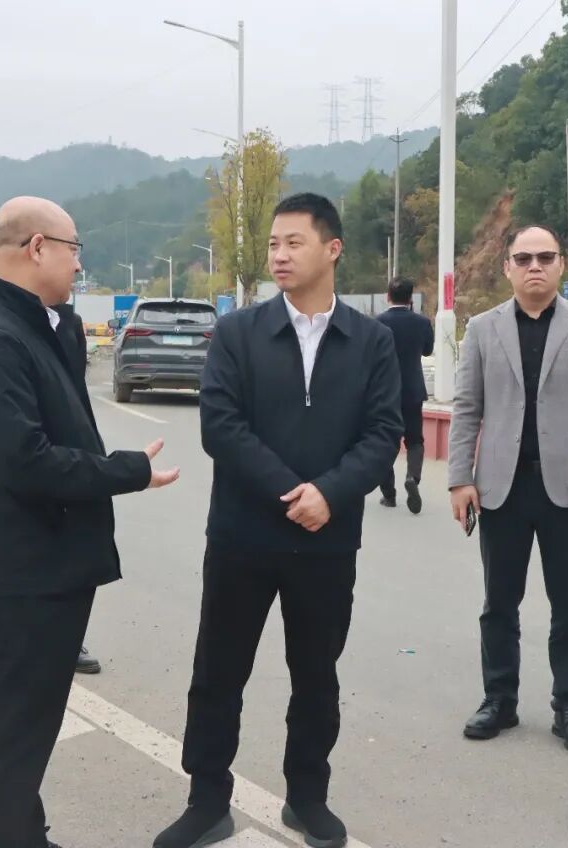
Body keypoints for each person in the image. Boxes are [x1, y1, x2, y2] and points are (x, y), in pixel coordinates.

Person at [153, 193, 402, 848]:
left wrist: (331, 494)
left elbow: (383, 433)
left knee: (317, 677)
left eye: (294, 242)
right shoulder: (239, 332)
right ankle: (207, 799)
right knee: (218, 673)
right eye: (273, 244)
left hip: (326, 543)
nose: (280, 255)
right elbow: (220, 426)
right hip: (242, 537)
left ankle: (307, 797)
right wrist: (294, 491)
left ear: (332, 249)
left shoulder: (371, 341)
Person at [0, 196, 179, 848]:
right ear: (38, 247)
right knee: (9, 740)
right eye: (74, 249)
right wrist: (128, 471)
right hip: (25, 572)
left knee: (24, 735)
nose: (79, 265)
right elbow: (24, 459)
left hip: (44, 561)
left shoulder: (36, 327)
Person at [448, 225, 568, 753]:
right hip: (501, 489)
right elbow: (467, 408)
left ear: (561, 264)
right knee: (499, 603)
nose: (534, 267)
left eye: (545, 257)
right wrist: (460, 478)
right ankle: (499, 700)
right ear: (508, 268)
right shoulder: (483, 329)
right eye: (523, 258)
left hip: (566, 490)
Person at [0, 304, 101, 685]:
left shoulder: (69, 324)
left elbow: (75, 394)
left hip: (62, 459)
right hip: (16, 456)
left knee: (69, 557)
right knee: (4, 565)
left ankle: (70, 642)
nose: (74, 273)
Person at [377, 276, 435, 513]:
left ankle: (389, 495)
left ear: (387, 296)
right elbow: (428, 350)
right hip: (413, 391)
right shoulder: (422, 322)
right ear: (411, 298)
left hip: (385, 392)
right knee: (415, 440)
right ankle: (413, 477)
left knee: (384, 441)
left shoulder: (378, 323)